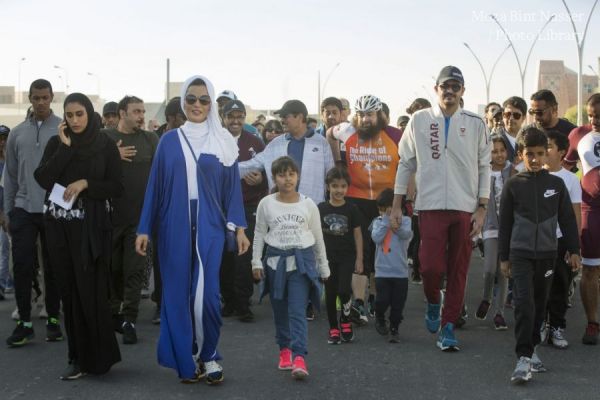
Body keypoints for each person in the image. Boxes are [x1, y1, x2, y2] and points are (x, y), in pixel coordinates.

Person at [135, 75, 249, 385]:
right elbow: (154, 187)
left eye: (203, 99)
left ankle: (209, 353)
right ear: (183, 102)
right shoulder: (169, 140)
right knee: (176, 295)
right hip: (173, 224)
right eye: (190, 99)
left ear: (212, 103)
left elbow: (231, 190)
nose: (196, 105)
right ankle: (188, 360)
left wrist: (239, 227)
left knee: (207, 297)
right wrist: (144, 227)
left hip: (210, 225)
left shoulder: (223, 140)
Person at [392, 66, 491, 351]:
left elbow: (484, 166)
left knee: (458, 269)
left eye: (455, 87)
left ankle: (448, 326)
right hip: (431, 205)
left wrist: (482, 208)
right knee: (431, 267)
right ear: (436, 89)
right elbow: (406, 163)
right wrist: (398, 204)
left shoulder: (475, 123)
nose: (449, 91)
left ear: (462, 91)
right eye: (444, 86)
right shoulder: (419, 120)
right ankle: (434, 301)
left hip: (465, 207)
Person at [34, 92, 122, 380]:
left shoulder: (105, 145)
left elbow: (116, 186)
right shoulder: (57, 143)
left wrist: (86, 183)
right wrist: (66, 149)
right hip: (60, 229)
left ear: (89, 113)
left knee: (93, 292)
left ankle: (99, 357)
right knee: (69, 293)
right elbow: (44, 179)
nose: (74, 120)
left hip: (92, 230)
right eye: (69, 115)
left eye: (79, 114)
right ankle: (76, 357)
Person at [498, 127, 581, 384]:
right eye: (529, 154)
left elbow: (567, 219)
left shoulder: (556, 185)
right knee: (523, 303)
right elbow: (506, 225)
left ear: (546, 154)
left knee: (539, 304)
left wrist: (574, 250)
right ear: (520, 155)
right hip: (520, 254)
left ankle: (533, 349)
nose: (534, 159)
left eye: (539, 154)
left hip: (548, 254)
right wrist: (504, 257)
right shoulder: (513, 185)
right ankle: (523, 357)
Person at [251, 156, 330, 380]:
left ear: (298, 176)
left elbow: (317, 237)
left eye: (291, 174)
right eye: (282, 174)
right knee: (280, 311)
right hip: (275, 261)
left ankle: (299, 357)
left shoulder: (308, 204)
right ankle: (284, 350)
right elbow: (259, 234)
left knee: (297, 310)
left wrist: (323, 267)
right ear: (274, 177)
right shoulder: (266, 203)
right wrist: (256, 262)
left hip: (301, 263)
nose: (287, 179)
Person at [327, 95, 401, 326]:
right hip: (356, 199)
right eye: (360, 114)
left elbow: (409, 162)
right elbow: (330, 133)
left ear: (379, 115)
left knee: (383, 252)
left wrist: (405, 194)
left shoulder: (395, 135)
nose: (365, 119)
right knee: (360, 250)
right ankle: (359, 302)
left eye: (369, 114)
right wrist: (338, 161)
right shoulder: (346, 130)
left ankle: (375, 301)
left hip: (384, 202)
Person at [4, 79, 63, 347]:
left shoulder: (62, 129)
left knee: (52, 267)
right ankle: (24, 323)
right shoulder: (17, 134)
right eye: (36, 97)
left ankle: (52, 319)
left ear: (52, 98)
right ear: (29, 98)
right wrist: (8, 211)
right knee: (23, 266)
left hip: (52, 210)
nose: (40, 102)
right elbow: (11, 176)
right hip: (23, 209)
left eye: (45, 97)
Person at [104, 96, 159, 344]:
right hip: (109, 219)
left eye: (143, 111)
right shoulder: (104, 139)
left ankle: (129, 319)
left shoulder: (150, 139)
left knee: (135, 271)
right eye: (136, 111)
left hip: (140, 220)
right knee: (113, 269)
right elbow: (88, 168)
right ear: (121, 113)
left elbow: (161, 173)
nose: (141, 115)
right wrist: (112, 156)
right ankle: (113, 313)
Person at [219, 99, 267, 321]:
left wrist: (260, 180)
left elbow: (267, 171)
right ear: (223, 117)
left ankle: (243, 303)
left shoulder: (255, 142)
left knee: (243, 255)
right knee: (224, 257)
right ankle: (228, 301)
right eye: (231, 116)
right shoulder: (215, 140)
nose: (235, 120)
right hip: (221, 207)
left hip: (248, 206)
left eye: (240, 116)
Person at [239, 99, 334, 205]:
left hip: (312, 207)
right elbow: (252, 165)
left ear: (300, 117)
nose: (282, 120)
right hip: (280, 209)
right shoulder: (276, 144)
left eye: (285, 116)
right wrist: (224, 168)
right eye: (281, 117)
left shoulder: (321, 143)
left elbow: (331, 176)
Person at [539, 130, 582, 349]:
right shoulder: (533, 175)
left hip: (561, 241)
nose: (543, 152)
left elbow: (575, 214)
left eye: (548, 147)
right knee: (539, 286)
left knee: (560, 285)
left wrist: (574, 247)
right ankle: (539, 325)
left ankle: (556, 326)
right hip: (537, 241)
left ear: (562, 152)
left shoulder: (570, 180)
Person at [563, 93, 600, 345]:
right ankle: (592, 322)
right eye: (590, 115)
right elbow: (566, 168)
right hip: (591, 209)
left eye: (599, 115)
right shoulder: (578, 135)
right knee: (590, 268)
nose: (594, 120)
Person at [475, 134, 515, 330]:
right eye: (494, 151)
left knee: (503, 271)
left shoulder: (513, 171)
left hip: (509, 228)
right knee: (490, 269)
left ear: (507, 151)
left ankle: (499, 313)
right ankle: (486, 298)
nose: (499, 155)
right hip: (490, 226)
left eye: (502, 150)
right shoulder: (483, 172)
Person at [318, 166, 362, 344]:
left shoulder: (352, 209)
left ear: (347, 188)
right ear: (328, 186)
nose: (339, 190)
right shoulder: (320, 208)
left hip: (347, 256)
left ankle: (345, 319)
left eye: (343, 186)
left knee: (344, 290)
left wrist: (359, 258)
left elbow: (358, 234)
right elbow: (316, 233)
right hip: (327, 257)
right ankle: (333, 327)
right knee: (330, 292)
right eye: (335, 186)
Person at [370, 189, 412, 343]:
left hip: (400, 272)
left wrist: (396, 222)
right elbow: (376, 238)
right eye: (382, 210)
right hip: (382, 271)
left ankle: (394, 328)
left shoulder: (406, 221)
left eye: (388, 209)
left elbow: (405, 235)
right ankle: (379, 315)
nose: (384, 213)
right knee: (382, 300)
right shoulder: (378, 222)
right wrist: (386, 220)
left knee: (397, 304)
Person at [0, 125, 12, 300]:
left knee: (8, 250)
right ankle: (2, 283)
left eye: (5, 139)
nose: (2, 142)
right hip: (2, 211)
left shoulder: (12, 159)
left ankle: (6, 282)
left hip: (11, 210)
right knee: (3, 249)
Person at [499, 96, 528, 162]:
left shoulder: (530, 138)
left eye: (516, 115)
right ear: (503, 115)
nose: (511, 118)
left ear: (523, 117)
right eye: (508, 114)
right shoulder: (494, 140)